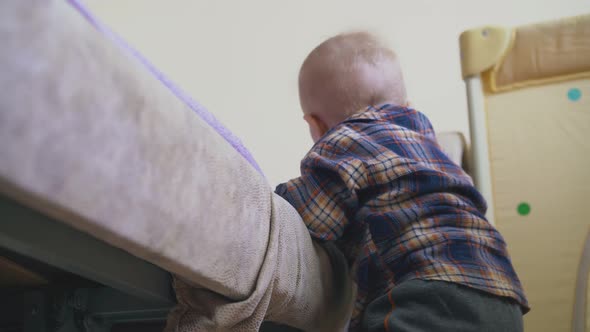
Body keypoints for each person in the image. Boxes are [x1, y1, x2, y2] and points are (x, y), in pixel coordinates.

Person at [275, 31, 528, 331]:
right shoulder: (432, 147)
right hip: (502, 292)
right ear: (407, 106)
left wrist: (278, 197)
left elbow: (307, 216)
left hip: (429, 292)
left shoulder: (341, 142)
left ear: (316, 125)